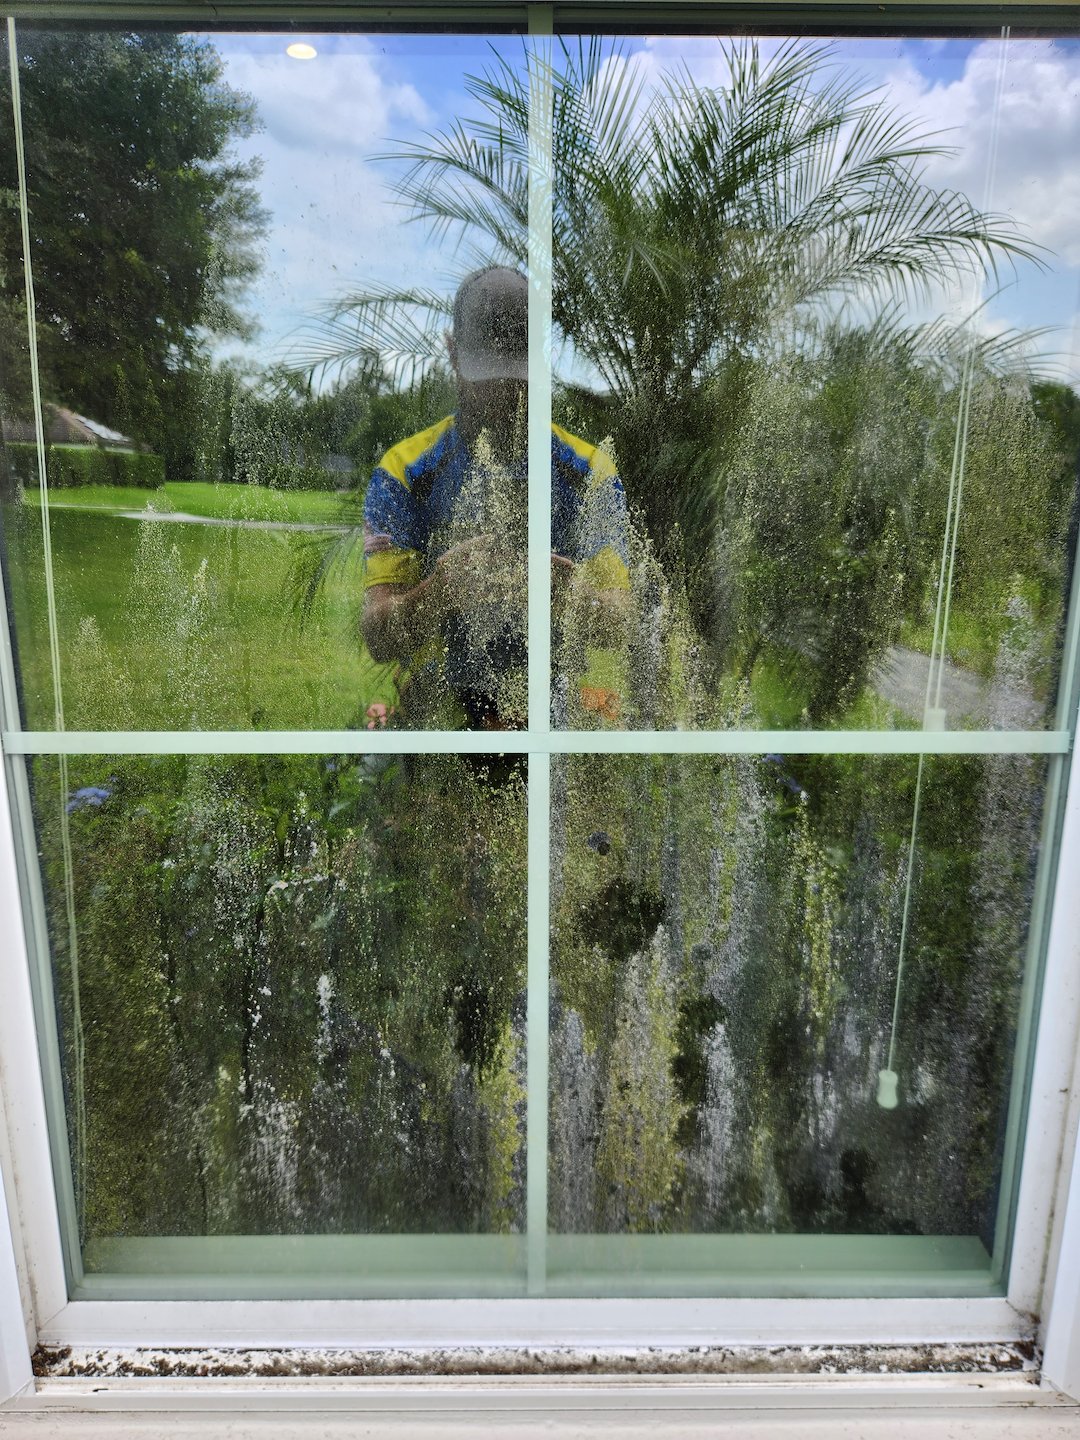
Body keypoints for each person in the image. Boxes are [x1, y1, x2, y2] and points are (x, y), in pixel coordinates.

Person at [362, 265, 630, 729]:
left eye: (517, 375)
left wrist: (569, 596)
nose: (503, 393)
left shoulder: (589, 473)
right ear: (451, 352)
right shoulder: (404, 473)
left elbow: (621, 620)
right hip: (441, 734)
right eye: (487, 375)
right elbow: (379, 637)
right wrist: (442, 592)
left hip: (552, 730)